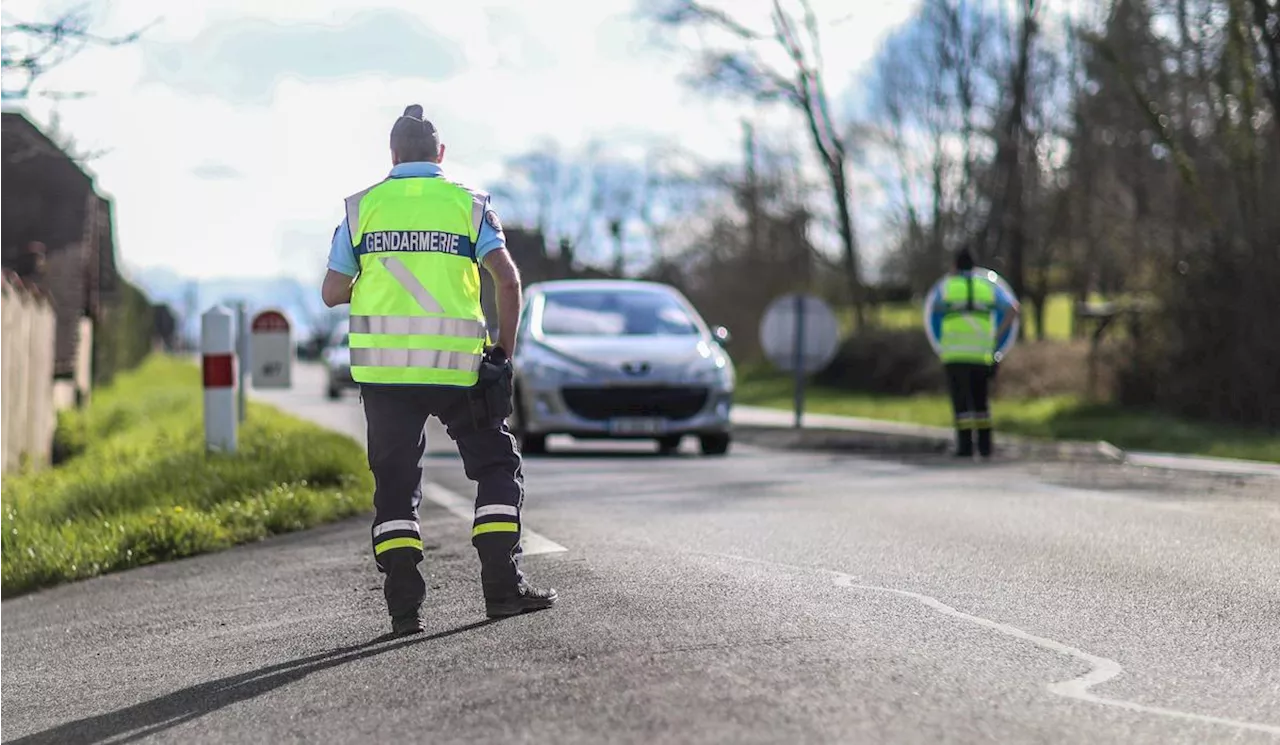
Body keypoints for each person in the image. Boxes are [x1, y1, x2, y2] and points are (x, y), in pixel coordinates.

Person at [321, 104, 557, 636]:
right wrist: (503, 352)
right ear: (439, 155)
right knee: (496, 466)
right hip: (459, 371)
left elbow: (333, 292)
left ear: (393, 155)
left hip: (385, 377)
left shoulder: (362, 210)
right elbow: (509, 281)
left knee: (395, 487)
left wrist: (378, 275)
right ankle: (502, 590)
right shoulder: (469, 207)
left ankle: (405, 611)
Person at [927, 247, 1020, 459]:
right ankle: (986, 447)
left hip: (954, 355)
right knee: (981, 403)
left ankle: (965, 447)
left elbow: (932, 314)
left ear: (954, 266)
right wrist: (997, 337)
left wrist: (941, 340)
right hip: (981, 354)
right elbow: (1013, 308)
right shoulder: (987, 286)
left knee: (961, 404)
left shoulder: (947, 287)